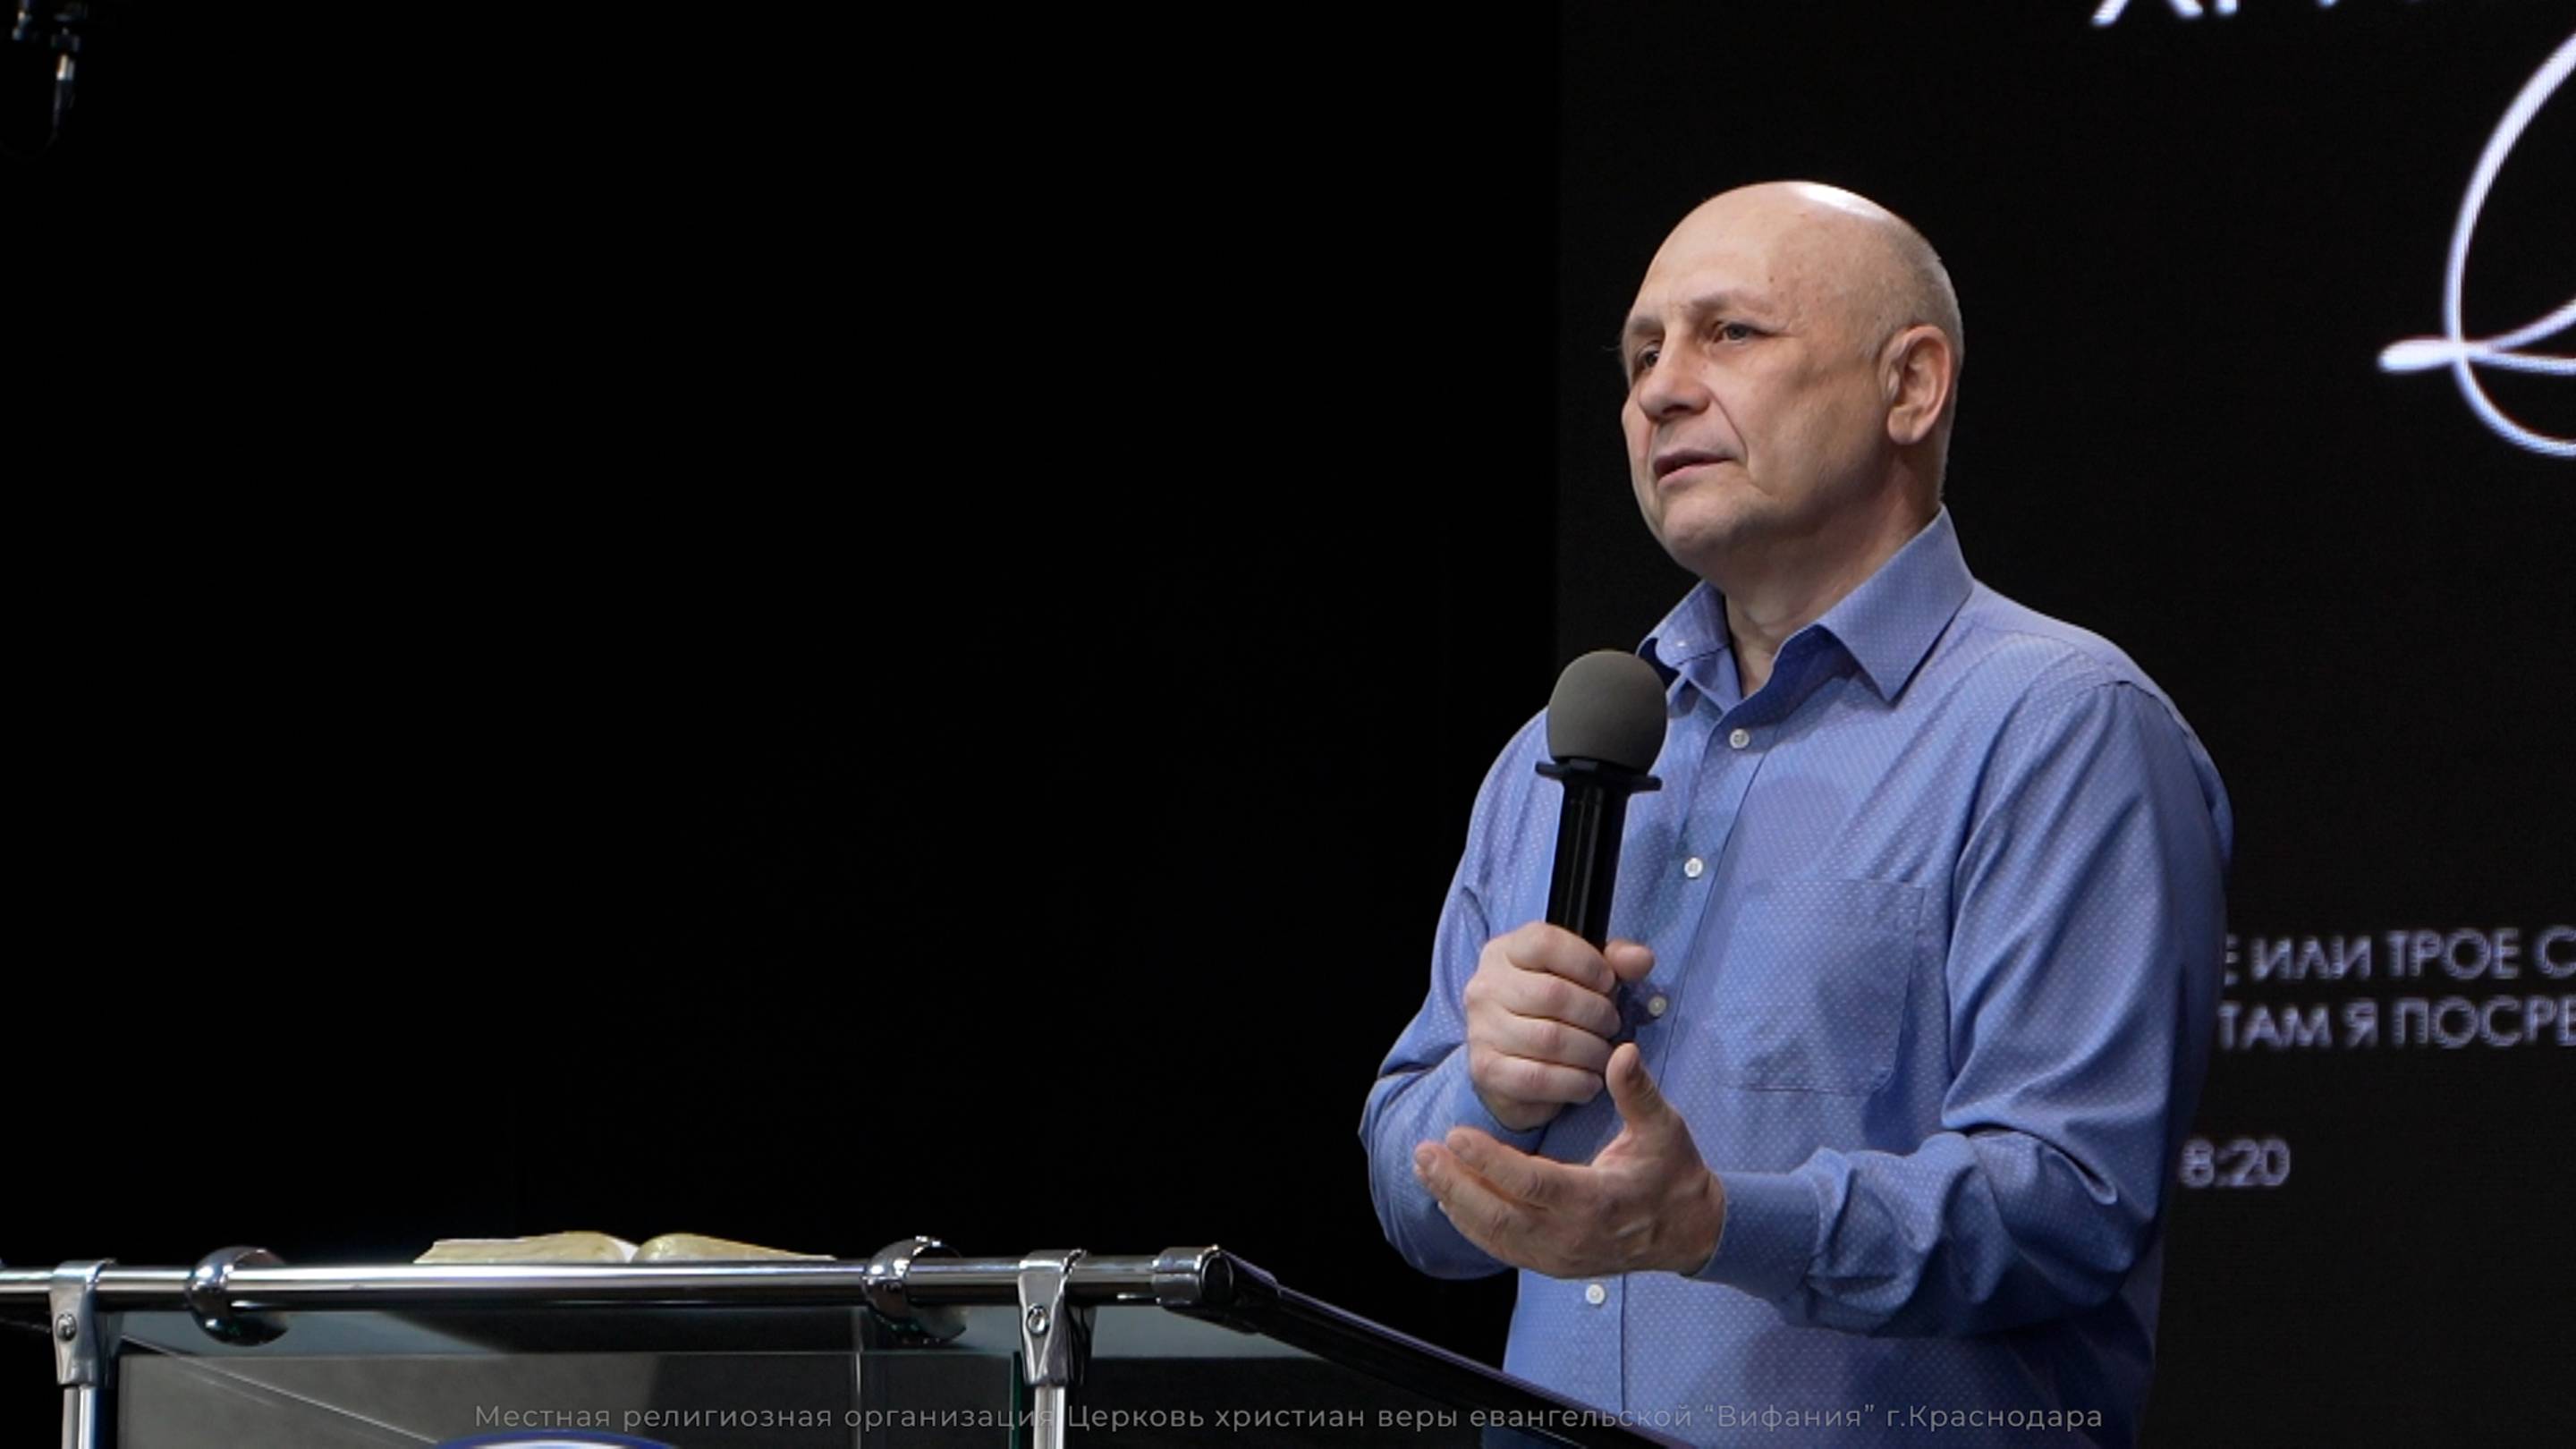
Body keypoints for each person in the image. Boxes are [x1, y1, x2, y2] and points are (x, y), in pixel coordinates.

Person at [1360, 182, 2231, 1448]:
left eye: (1729, 334)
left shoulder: (2060, 726)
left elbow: (2069, 1199)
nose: (1661, 390)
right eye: (1641, 354)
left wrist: (1720, 1225)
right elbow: (1411, 1198)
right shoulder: (1559, 751)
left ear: (1910, 386)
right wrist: (1487, 1096)